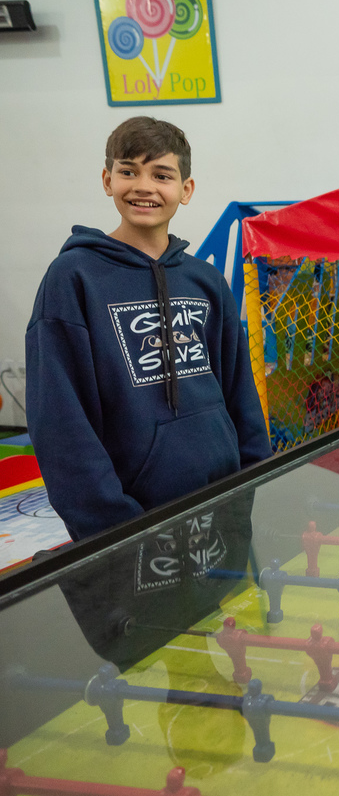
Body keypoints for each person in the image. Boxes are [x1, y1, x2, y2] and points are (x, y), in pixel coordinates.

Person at [26, 117, 271, 542]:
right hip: (128, 524)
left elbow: (239, 391)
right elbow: (60, 421)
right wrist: (112, 525)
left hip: (221, 504)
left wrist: (256, 479)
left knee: (225, 608)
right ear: (107, 180)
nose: (144, 186)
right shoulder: (73, 278)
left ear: (185, 190)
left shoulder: (206, 282)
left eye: (161, 175)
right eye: (128, 171)